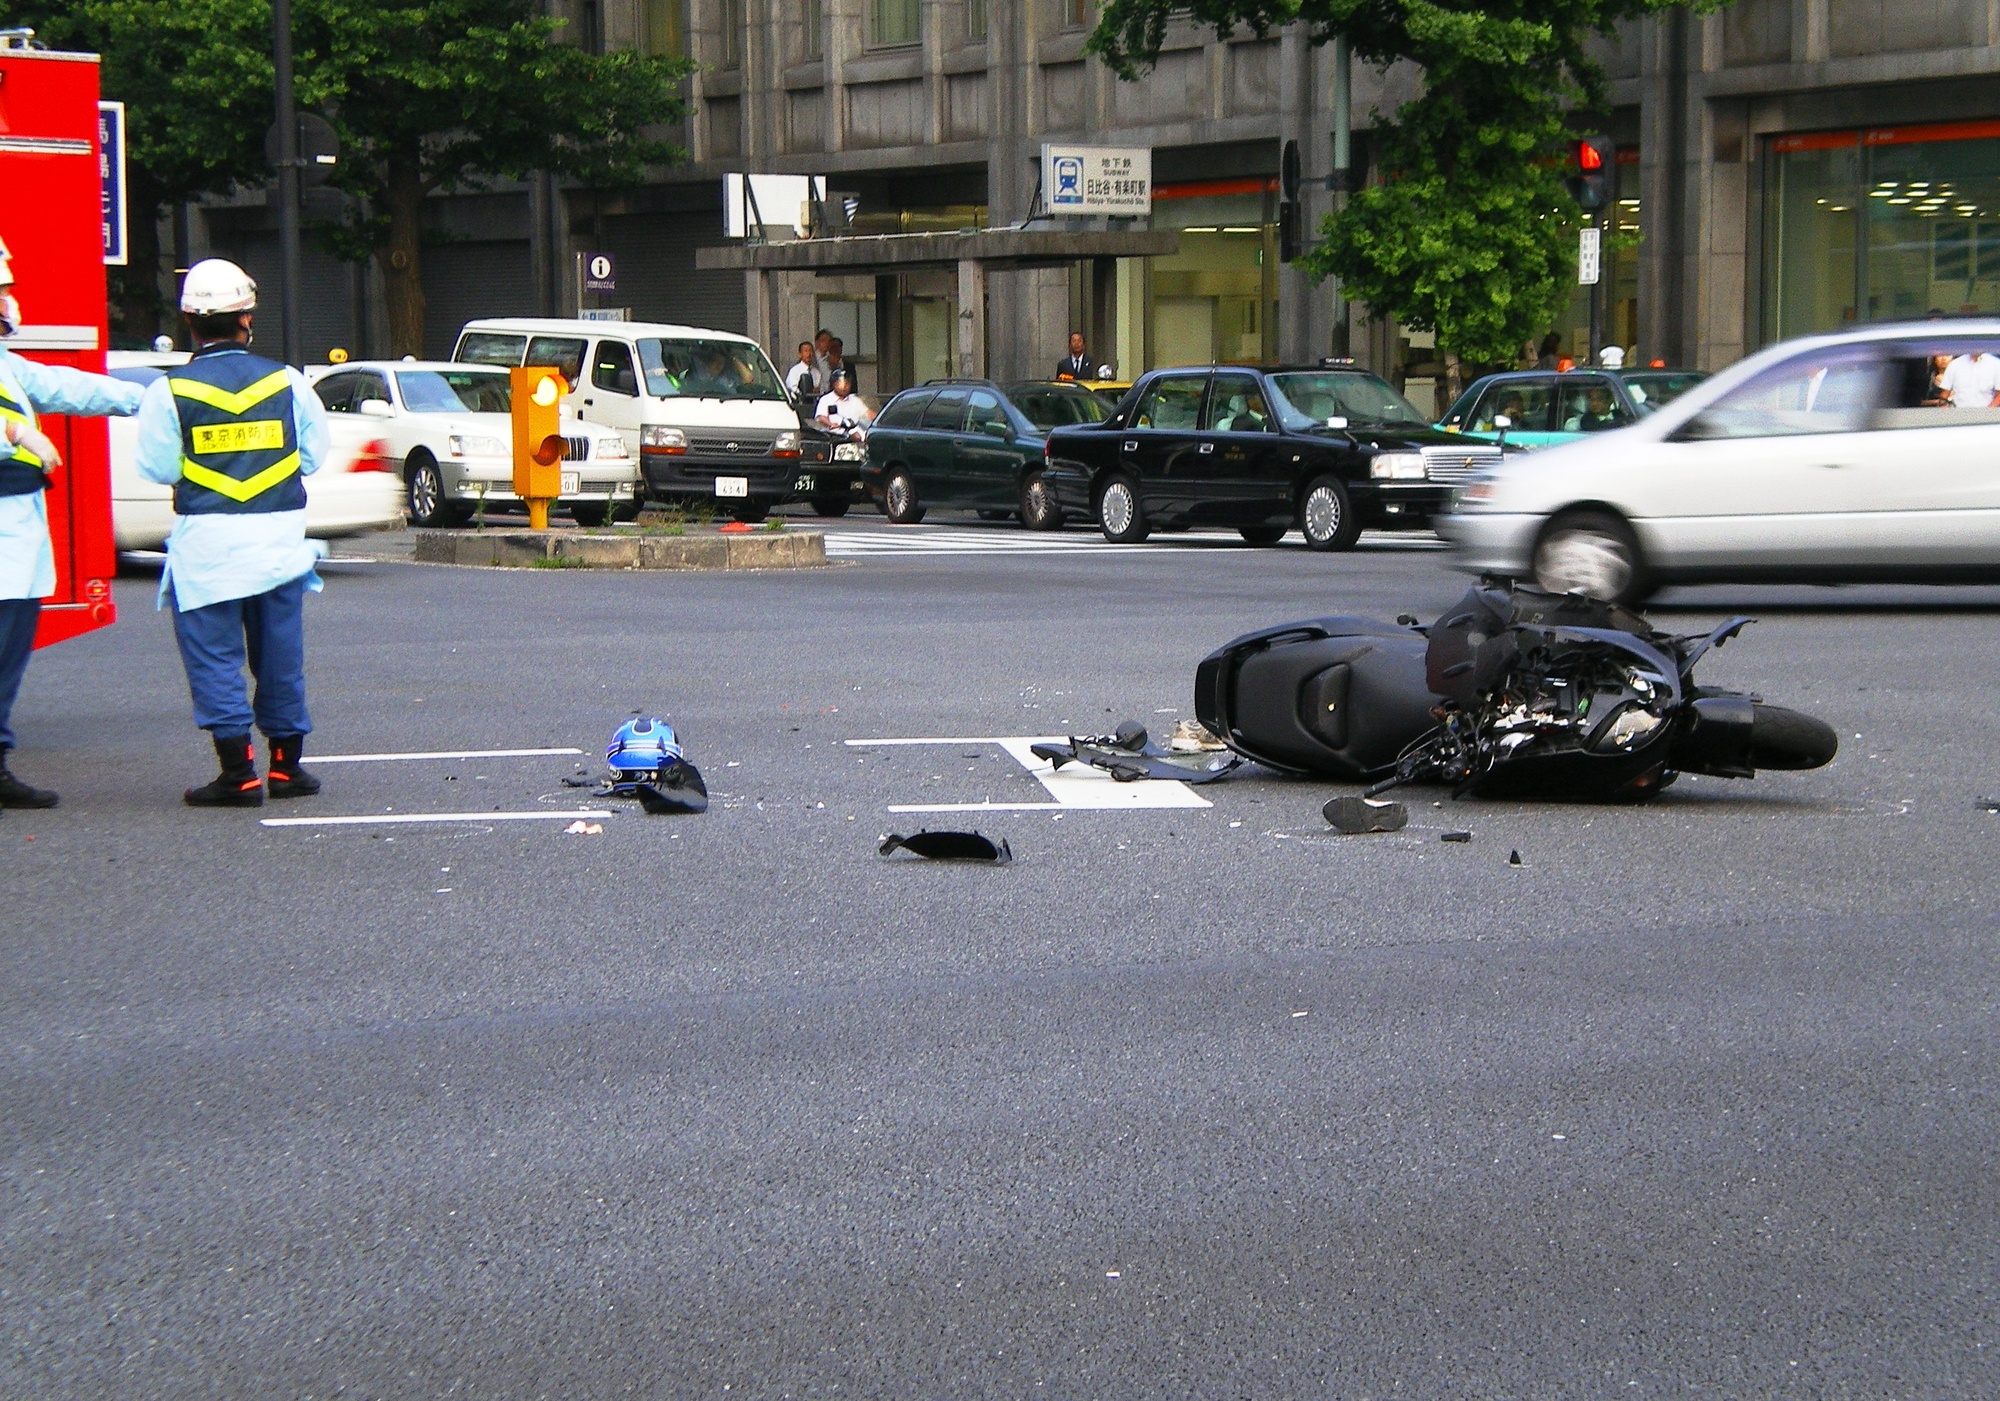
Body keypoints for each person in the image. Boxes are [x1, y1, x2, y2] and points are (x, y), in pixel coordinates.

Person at [132, 259, 331, 808]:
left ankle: (238, 774)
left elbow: (155, 467)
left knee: (215, 657)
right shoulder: (287, 380)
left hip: (207, 547)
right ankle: (288, 769)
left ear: (190, 322)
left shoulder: (168, 390)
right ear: (246, 318)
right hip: (279, 544)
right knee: (280, 655)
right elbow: (312, 455)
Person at [0, 237, 145, 810]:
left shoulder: (6, 365)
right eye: (3, 289)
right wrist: (13, 433)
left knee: (9, 658)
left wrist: (147, 399)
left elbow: (68, 386)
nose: (12, 300)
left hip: (18, 538)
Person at [814, 367, 872, 440]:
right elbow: (821, 417)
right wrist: (830, 424)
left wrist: (881, 420)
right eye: (840, 383)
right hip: (834, 436)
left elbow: (868, 413)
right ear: (834, 384)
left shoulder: (855, 400)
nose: (844, 387)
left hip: (855, 433)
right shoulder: (826, 400)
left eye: (847, 384)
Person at [783, 341, 818, 407]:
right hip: (800, 405)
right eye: (806, 351)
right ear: (800, 354)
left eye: (810, 351)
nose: (809, 354)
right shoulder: (795, 371)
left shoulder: (816, 372)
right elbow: (792, 388)